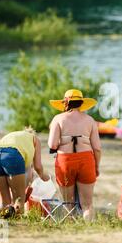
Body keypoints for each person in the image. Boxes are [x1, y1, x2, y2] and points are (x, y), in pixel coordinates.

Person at [48, 89, 102, 221]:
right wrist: (96, 166)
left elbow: (52, 144)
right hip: (86, 159)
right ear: (81, 103)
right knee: (87, 204)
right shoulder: (90, 120)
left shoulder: (58, 119)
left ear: (65, 103)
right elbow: (97, 148)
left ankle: (70, 229)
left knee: (68, 203)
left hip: (65, 160)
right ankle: (89, 229)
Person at [0, 127, 49, 214]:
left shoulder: (14, 136)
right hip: (12, 155)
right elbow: (38, 167)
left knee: (4, 202)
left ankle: (3, 225)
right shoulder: (34, 138)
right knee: (19, 201)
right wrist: (44, 177)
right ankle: (17, 225)